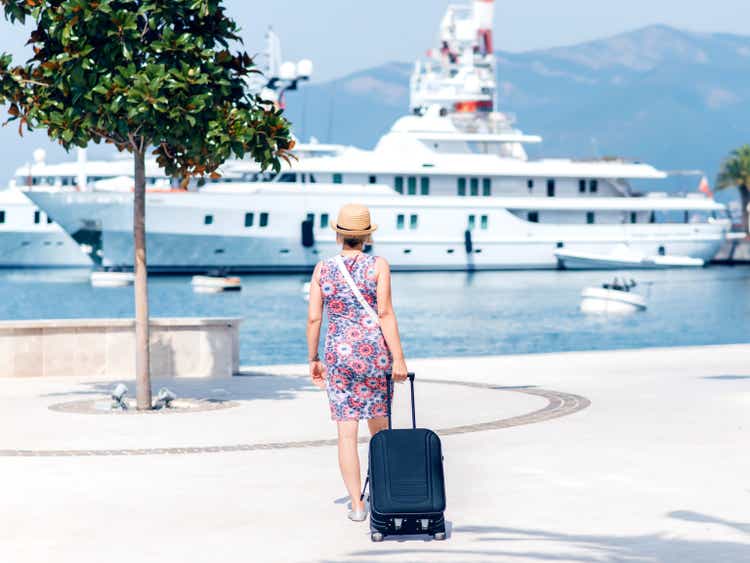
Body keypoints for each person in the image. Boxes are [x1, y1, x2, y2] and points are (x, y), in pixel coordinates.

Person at [306, 203, 408, 522]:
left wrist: (313, 358)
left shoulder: (323, 269)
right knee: (380, 429)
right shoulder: (379, 265)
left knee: (346, 434)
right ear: (366, 236)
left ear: (338, 234)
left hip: (339, 357)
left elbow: (313, 319)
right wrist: (399, 359)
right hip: (374, 355)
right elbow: (386, 313)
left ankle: (357, 504)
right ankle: (382, 493)